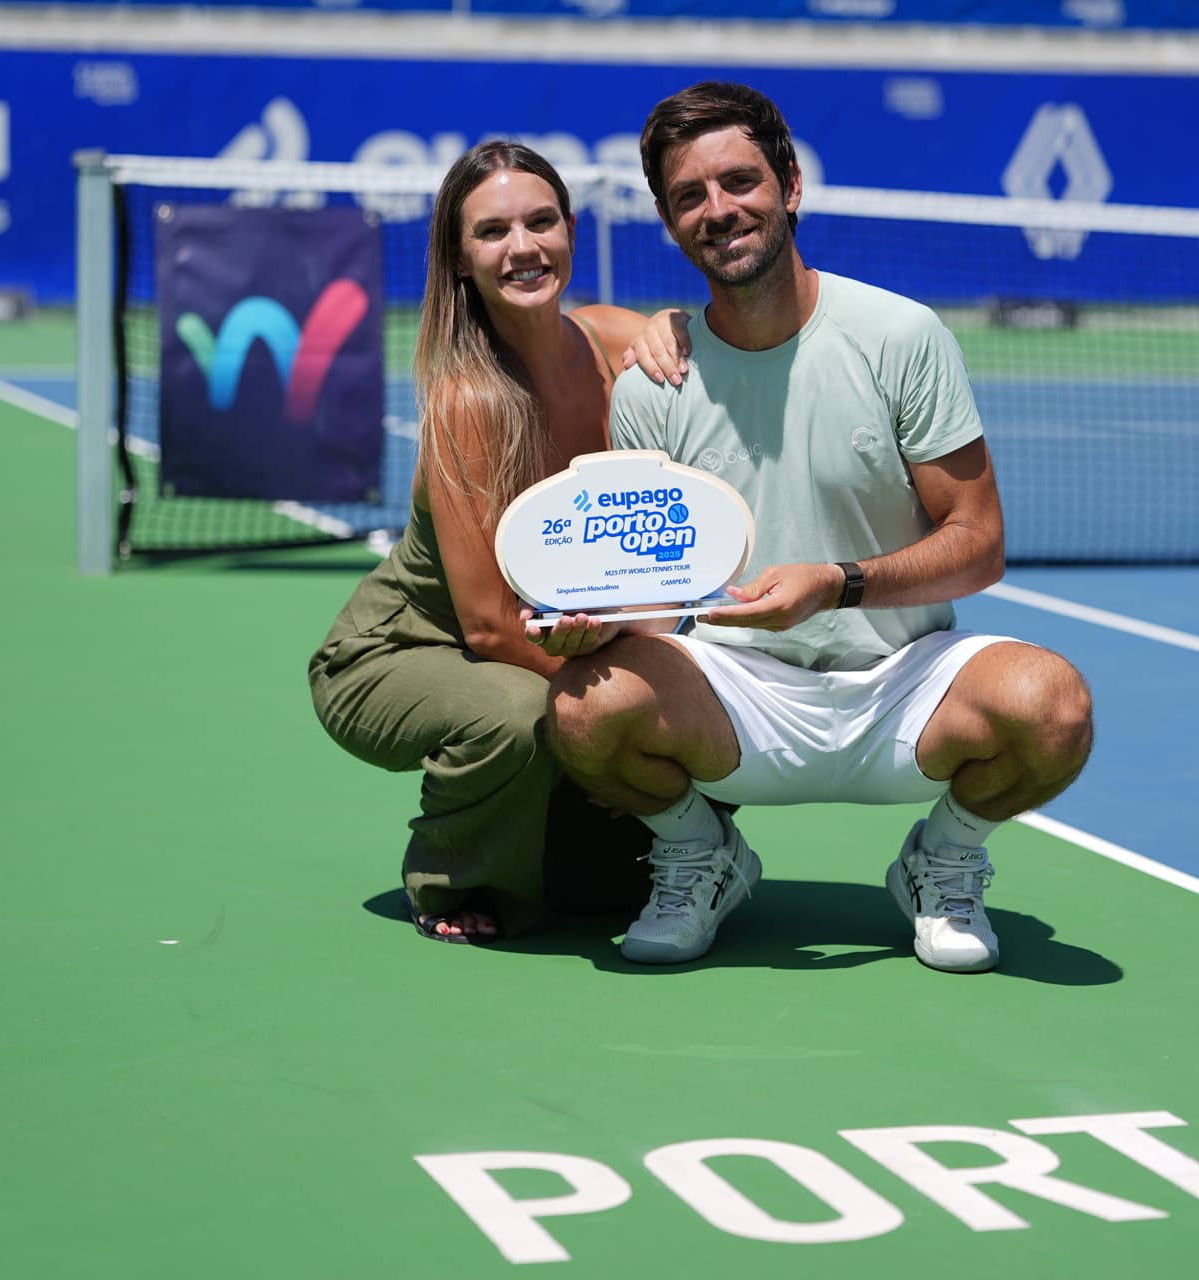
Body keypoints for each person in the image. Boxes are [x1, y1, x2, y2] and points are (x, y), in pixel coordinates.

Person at [541, 82, 1095, 974]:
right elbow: (653, 589)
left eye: (739, 181)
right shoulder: (652, 386)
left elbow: (979, 542)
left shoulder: (902, 336)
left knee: (1054, 705)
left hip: (902, 691)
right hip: (734, 695)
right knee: (580, 706)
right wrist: (596, 625)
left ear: (789, 185)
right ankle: (698, 855)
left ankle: (942, 863)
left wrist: (839, 582)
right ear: (669, 220)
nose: (719, 210)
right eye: (691, 196)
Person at [307, 140, 691, 943]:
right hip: (397, 651)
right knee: (517, 716)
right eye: (493, 232)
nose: (524, 247)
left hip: (540, 638)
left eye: (541, 222)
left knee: (697, 689)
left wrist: (673, 325)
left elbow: (711, 351)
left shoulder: (612, 343)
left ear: (571, 231)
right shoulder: (467, 402)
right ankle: (452, 880)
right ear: (458, 256)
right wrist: (618, 725)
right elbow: (486, 626)